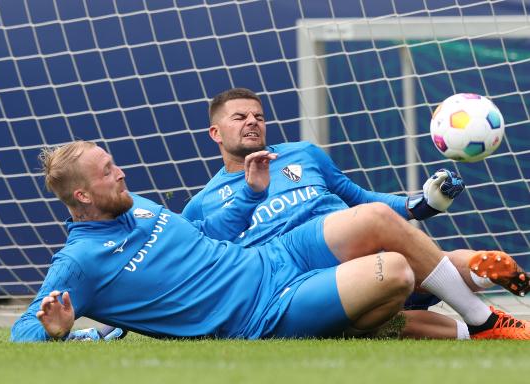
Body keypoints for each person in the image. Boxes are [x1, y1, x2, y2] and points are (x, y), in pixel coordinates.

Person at [11, 140, 530, 342]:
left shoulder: (137, 204)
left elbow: (206, 242)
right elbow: (22, 335)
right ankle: (383, 322)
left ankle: (485, 321)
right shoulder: (78, 261)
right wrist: (64, 333)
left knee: (373, 217)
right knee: (392, 271)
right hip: (260, 312)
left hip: (270, 255)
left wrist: (249, 199)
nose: (121, 174)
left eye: (116, 164)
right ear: (81, 194)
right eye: (108, 172)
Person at [180, 87, 529, 339]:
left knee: (418, 262)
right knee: (387, 313)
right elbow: (190, 267)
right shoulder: (202, 203)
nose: (252, 122)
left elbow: (356, 196)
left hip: (350, 242)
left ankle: (484, 292)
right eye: (239, 117)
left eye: (258, 116)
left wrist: (421, 205)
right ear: (215, 132)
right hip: (300, 276)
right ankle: (474, 322)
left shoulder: (303, 154)